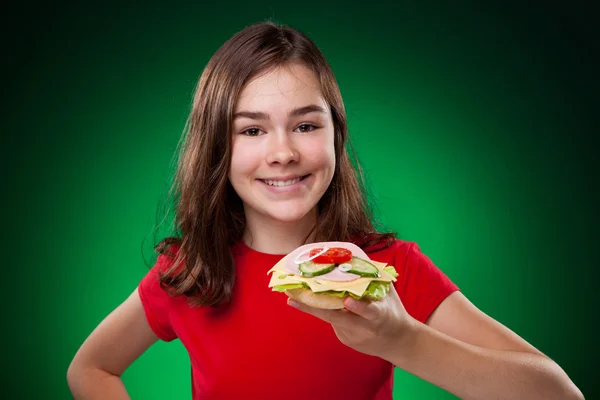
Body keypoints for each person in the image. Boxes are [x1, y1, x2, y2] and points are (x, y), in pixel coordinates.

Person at [66, 21, 584, 400]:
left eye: (306, 125)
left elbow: (558, 394)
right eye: (251, 129)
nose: (283, 152)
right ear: (216, 148)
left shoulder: (388, 268)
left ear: (337, 136)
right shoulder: (188, 272)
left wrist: (401, 339)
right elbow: (90, 369)